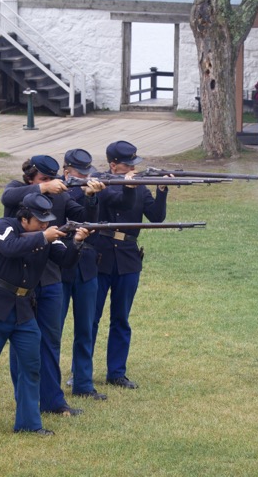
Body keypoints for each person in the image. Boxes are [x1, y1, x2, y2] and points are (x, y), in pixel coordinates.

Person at [0, 193, 90, 439]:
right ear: (24, 217)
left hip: (24, 310)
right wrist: (44, 236)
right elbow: (10, 248)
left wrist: (76, 242)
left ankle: (29, 423)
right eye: (40, 220)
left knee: (31, 367)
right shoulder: (3, 227)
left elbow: (65, 261)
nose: (45, 224)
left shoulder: (47, 235)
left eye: (47, 221)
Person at [0, 155, 105, 416]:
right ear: (31, 178)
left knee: (50, 341)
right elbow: (8, 199)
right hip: (21, 280)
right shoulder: (17, 190)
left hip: (51, 278)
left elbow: (85, 218)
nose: (50, 183)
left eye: (51, 179)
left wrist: (91, 197)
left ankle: (53, 401)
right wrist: (43, 188)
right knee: (21, 343)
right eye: (43, 179)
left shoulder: (61, 196)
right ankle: (24, 398)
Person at [91, 141, 169, 390]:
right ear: (113, 165)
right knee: (91, 318)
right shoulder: (99, 182)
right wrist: (128, 186)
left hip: (128, 257)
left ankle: (117, 372)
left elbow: (156, 217)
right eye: (127, 165)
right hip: (101, 256)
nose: (133, 169)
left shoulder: (139, 187)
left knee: (121, 319)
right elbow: (118, 201)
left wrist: (163, 190)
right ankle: (81, 372)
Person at [60, 148, 135, 401]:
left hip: (87, 265)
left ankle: (83, 381)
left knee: (86, 326)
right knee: (53, 332)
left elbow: (90, 219)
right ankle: (51, 383)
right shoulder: (56, 191)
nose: (83, 176)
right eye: (78, 173)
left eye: (86, 172)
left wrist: (91, 197)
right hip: (58, 267)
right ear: (66, 171)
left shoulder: (88, 190)